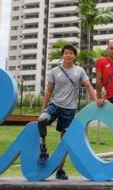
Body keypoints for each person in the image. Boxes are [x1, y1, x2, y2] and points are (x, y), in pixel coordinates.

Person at [37, 44, 99, 180]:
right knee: (41, 120)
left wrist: (96, 100)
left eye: (71, 53)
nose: (68, 55)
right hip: (55, 105)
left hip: (69, 110)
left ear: (74, 56)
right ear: (62, 55)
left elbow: (88, 86)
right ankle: (43, 149)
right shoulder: (54, 71)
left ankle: (60, 170)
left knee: (65, 140)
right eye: (66, 53)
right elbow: (48, 91)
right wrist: (43, 107)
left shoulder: (79, 71)